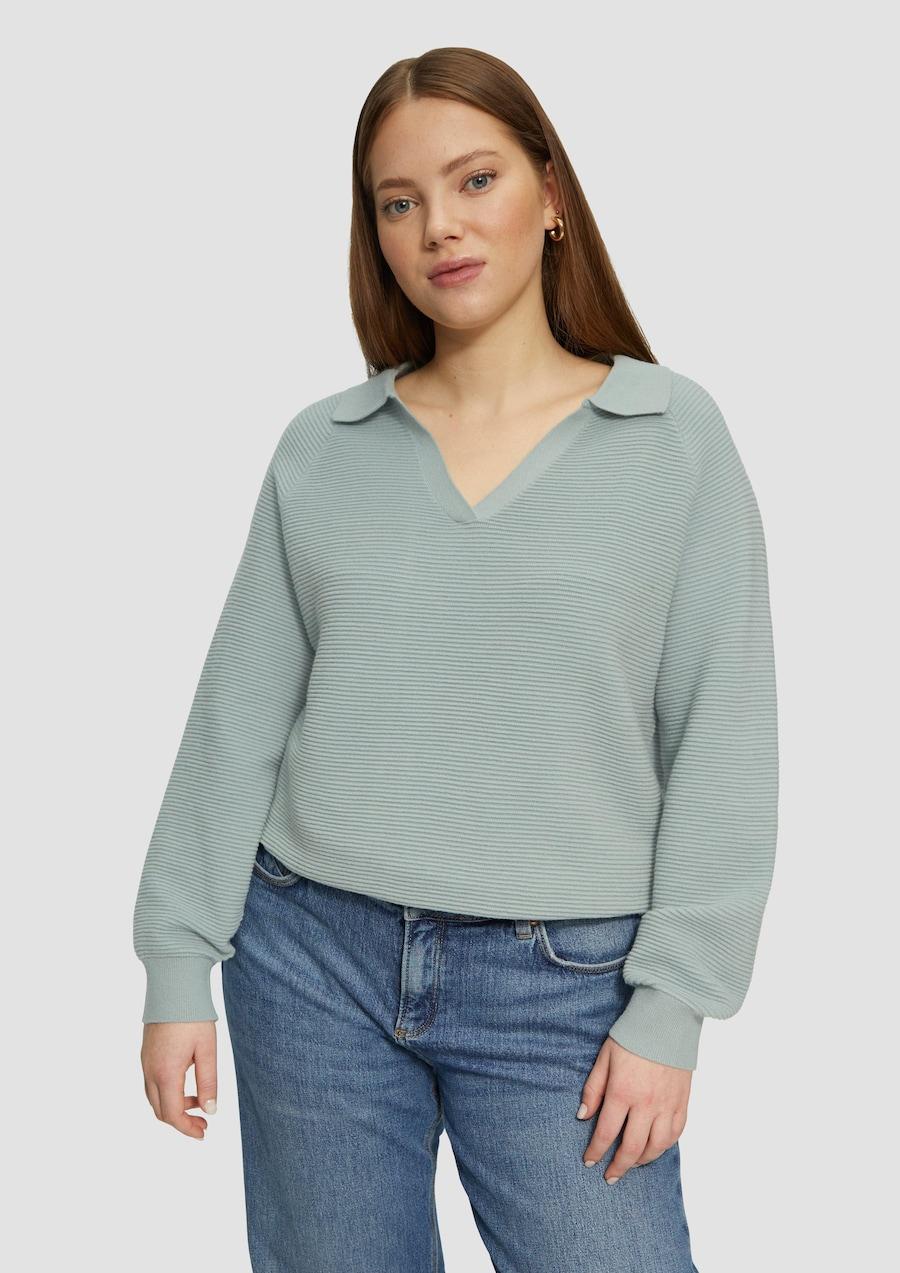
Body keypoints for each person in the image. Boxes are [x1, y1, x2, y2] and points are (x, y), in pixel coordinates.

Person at [134, 46, 778, 1273]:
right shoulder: (325, 449)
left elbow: (726, 736)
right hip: (308, 957)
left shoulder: (670, 437)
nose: (439, 226)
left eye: (475, 180)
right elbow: (236, 721)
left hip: (568, 982)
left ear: (551, 193)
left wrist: (675, 1002)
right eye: (399, 201)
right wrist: (176, 962)